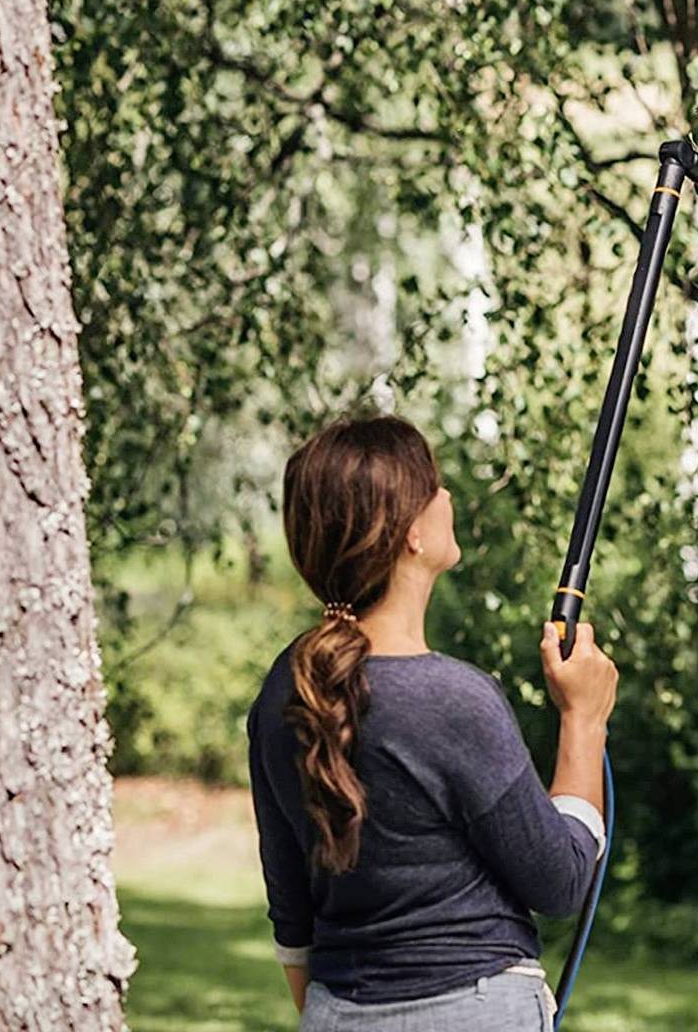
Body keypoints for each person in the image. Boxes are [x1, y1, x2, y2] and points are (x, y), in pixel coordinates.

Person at [246, 414, 618, 1030]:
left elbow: (291, 907)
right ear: (411, 533)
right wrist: (584, 718)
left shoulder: (287, 688)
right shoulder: (452, 701)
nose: (447, 496)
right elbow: (560, 882)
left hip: (335, 1014)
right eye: (435, 486)